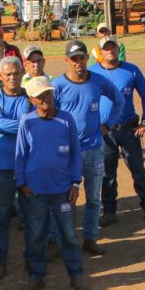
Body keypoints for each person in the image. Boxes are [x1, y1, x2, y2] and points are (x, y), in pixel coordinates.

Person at [14, 77, 90, 290]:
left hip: (63, 191)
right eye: (39, 96)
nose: (45, 99)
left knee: (69, 235)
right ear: (31, 99)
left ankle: (76, 274)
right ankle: (36, 276)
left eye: (47, 93)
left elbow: (76, 153)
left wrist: (75, 182)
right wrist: (22, 183)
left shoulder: (67, 120)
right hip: (35, 191)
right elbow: (20, 155)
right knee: (36, 235)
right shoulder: (27, 122)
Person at [54, 40, 120, 256]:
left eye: (81, 58)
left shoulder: (98, 81)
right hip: (66, 153)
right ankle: (66, 240)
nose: (78, 63)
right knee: (67, 199)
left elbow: (118, 100)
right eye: (74, 59)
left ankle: (90, 238)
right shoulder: (58, 86)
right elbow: (47, 112)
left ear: (87, 59)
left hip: (93, 149)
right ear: (67, 60)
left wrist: (107, 124)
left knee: (93, 198)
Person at [89, 34, 145, 225]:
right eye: (106, 48)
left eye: (113, 47)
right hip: (105, 131)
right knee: (107, 173)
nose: (110, 51)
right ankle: (109, 211)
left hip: (129, 128)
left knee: (138, 169)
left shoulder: (131, 70)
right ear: (100, 52)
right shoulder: (92, 72)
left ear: (118, 49)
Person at [0, 56, 31, 276]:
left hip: (26, 165)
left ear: (22, 74)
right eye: (7, 74)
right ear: (0, 76)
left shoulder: (28, 99)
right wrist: (23, 123)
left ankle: (33, 259)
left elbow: (8, 124)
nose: (12, 78)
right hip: (0, 165)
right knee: (0, 216)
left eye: (16, 73)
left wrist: (5, 125)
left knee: (31, 215)